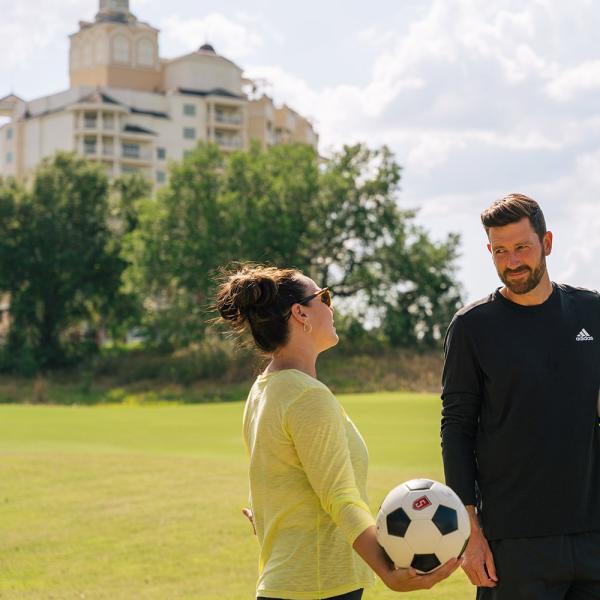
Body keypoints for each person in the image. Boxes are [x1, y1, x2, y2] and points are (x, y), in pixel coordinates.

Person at [216, 264, 460, 600]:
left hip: (293, 583)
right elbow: (340, 498)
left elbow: (278, 482)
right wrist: (388, 572)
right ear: (300, 313)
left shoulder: (264, 389)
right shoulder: (306, 396)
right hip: (317, 587)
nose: (331, 307)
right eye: (324, 297)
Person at [441, 193, 600, 600]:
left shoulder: (591, 312)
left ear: (546, 243)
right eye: (500, 251)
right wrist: (469, 533)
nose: (512, 262)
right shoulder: (472, 327)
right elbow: (456, 431)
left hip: (593, 535)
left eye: (522, 248)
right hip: (513, 545)